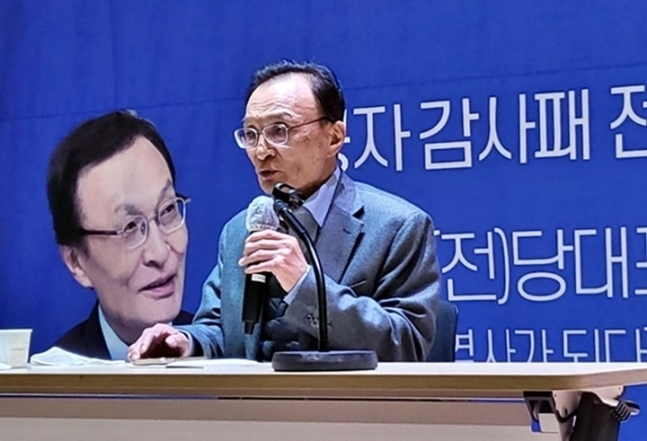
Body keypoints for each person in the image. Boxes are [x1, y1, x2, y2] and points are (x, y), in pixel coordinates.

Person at [129, 61, 441, 362]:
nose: (261, 151)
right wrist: (186, 341)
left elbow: (407, 345)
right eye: (251, 134)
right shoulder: (240, 230)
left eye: (279, 131)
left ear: (334, 137)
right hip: (251, 398)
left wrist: (303, 284)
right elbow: (220, 330)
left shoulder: (397, 226)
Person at [46, 110, 193, 360]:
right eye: (129, 228)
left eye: (168, 210)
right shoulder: (54, 379)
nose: (159, 253)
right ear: (76, 262)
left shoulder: (229, 356)